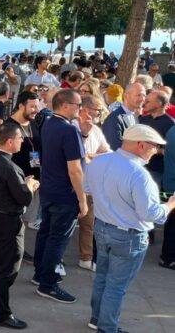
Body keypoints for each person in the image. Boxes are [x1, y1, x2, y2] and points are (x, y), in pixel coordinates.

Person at [84, 124, 175, 333]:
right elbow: (151, 214)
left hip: (103, 227)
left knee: (102, 278)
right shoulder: (140, 175)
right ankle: (107, 327)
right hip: (129, 236)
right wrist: (170, 205)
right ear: (141, 145)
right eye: (155, 146)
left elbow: (87, 188)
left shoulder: (99, 161)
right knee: (116, 286)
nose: (157, 151)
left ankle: (97, 319)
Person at [0, 122, 39, 330]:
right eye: (20, 139)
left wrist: (23, 184)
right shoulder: (9, 166)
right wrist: (30, 186)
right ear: (10, 141)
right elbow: (23, 198)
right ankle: (0, 313)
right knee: (6, 267)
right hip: (7, 221)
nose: (22, 142)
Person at [34, 89, 87, 303]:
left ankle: (41, 274)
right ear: (65, 105)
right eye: (78, 104)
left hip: (49, 189)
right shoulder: (68, 130)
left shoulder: (49, 124)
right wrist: (82, 200)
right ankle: (47, 284)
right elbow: (74, 168)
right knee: (57, 238)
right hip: (64, 193)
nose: (80, 108)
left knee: (46, 233)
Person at [76, 95, 111, 272]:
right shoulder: (72, 126)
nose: (99, 113)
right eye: (97, 109)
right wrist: (91, 156)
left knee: (90, 223)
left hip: (92, 184)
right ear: (86, 109)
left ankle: (86, 257)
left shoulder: (97, 130)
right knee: (65, 225)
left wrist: (93, 156)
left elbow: (107, 151)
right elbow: (79, 156)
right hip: (73, 184)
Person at [5, 92, 43, 243]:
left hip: (33, 182)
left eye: (37, 106)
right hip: (17, 183)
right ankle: (11, 250)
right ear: (21, 106)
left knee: (26, 220)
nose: (36, 110)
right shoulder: (8, 127)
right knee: (13, 222)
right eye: (32, 106)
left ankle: (19, 247)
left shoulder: (34, 122)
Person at [138, 89, 175, 187]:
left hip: (156, 172)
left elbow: (170, 151)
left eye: (148, 101)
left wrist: (156, 151)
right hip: (139, 167)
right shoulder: (142, 120)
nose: (144, 103)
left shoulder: (170, 124)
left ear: (159, 104)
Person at [102, 82, 145, 151]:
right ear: (126, 96)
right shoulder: (114, 118)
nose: (142, 99)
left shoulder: (134, 116)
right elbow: (114, 147)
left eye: (144, 95)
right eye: (138, 95)